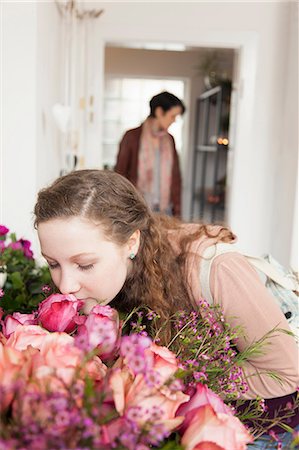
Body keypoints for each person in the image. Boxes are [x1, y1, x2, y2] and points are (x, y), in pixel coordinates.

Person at [34, 169, 298, 448]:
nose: (65, 285)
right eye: (53, 264)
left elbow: (287, 372)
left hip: (265, 427)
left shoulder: (215, 269)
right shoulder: (104, 282)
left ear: (131, 243)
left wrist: (175, 384)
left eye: (85, 264)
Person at [115, 91, 185, 217]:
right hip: (137, 210)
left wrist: (178, 212)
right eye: (172, 116)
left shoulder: (170, 140)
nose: (174, 121)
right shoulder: (132, 136)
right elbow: (120, 174)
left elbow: (176, 178)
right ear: (159, 112)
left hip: (166, 211)